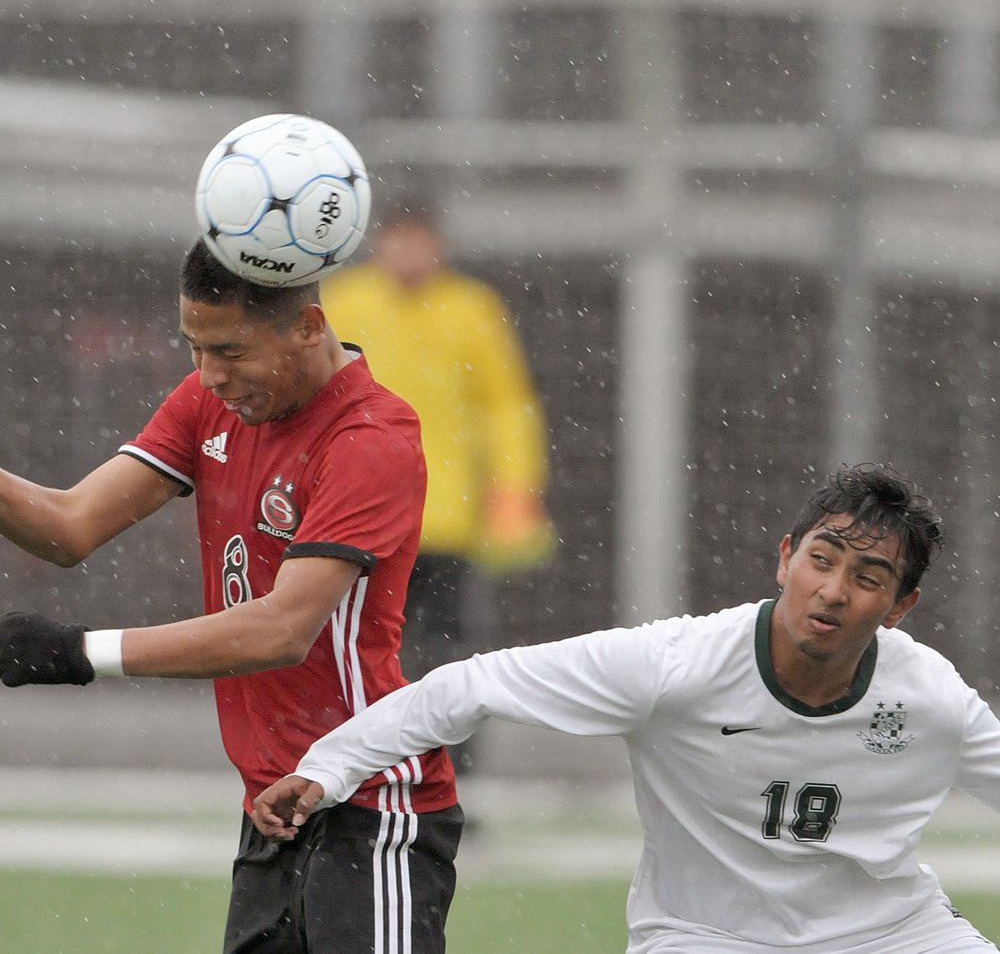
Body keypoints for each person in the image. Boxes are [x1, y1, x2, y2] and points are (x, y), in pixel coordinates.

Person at [252, 463, 1000, 954]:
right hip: (703, 934)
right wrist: (330, 766)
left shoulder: (931, 700)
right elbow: (470, 685)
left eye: (868, 577)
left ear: (902, 605)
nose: (834, 590)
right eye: (822, 559)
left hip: (890, 932)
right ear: (785, 557)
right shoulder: (675, 666)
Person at [0, 237, 461, 954]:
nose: (210, 374)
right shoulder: (209, 401)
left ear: (309, 326)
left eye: (231, 351)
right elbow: (69, 526)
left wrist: (78, 652)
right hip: (272, 807)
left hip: (370, 808)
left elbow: (283, 627)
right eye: (194, 347)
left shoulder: (371, 437)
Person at [318, 203, 554, 733]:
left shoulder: (471, 308)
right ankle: (353, 758)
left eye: (418, 241)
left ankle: (447, 768)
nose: (409, 254)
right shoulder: (345, 300)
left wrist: (516, 487)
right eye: (399, 241)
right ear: (379, 243)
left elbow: (505, 403)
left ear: (438, 246)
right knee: (354, 644)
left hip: (447, 516)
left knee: (445, 652)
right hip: (358, 510)